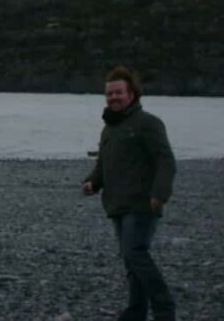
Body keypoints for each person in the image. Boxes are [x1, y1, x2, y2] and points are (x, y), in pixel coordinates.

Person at [83, 66, 177, 320]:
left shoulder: (148, 123)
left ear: (131, 94)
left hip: (143, 203)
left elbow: (165, 160)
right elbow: (103, 164)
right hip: (117, 204)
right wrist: (93, 183)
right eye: (109, 94)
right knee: (131, 260)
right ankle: (136, 311)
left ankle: (164, 308)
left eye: (118, 93)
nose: (113, 98)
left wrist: (160, 193)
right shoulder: (110, 128)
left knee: (135, 253)